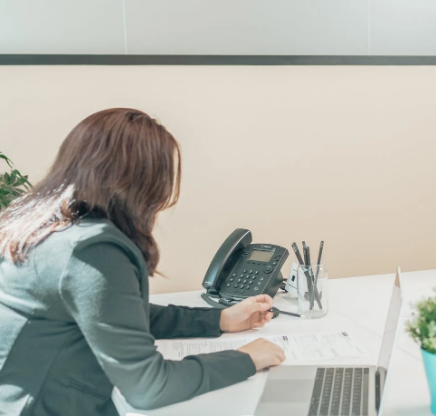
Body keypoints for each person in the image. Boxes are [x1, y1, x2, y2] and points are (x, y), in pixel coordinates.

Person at [0, 109, 286, 416]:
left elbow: (116, 314)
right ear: (142, 183)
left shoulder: (46, 227)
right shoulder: (92, 248)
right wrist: (245, 359)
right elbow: (149, 387)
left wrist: (219, 320)